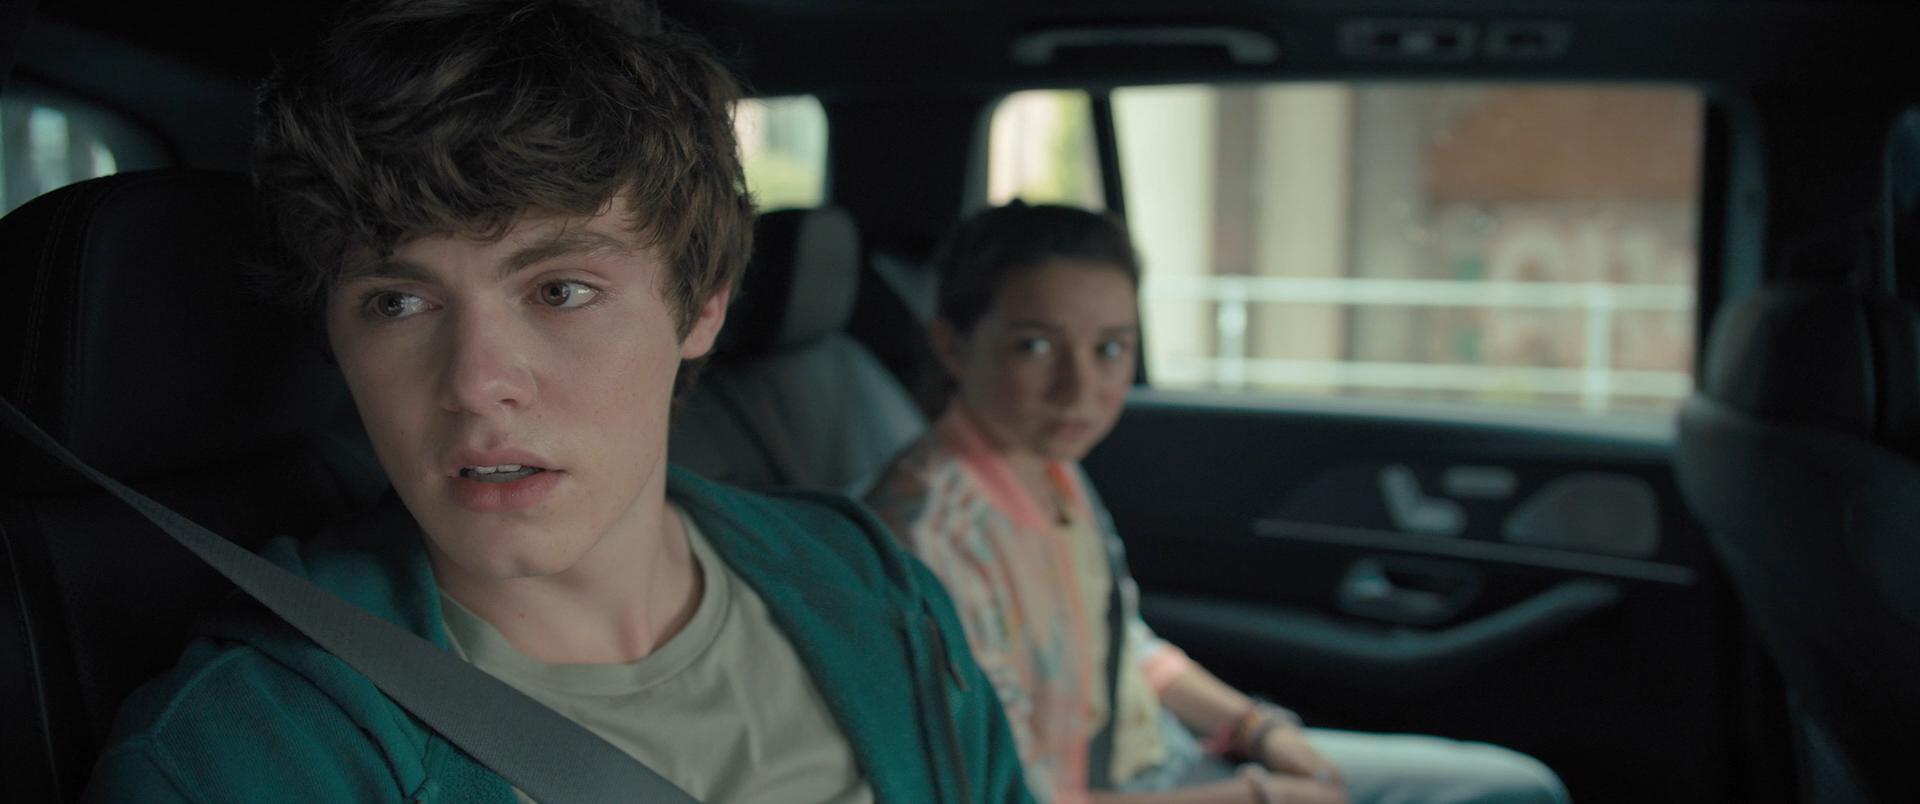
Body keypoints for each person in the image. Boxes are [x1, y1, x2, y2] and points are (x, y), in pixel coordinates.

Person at [82, 2, 1030, 802]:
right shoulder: (238, 757)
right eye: (397, 302)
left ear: (701, 307)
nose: (474, 382)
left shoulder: (870, 584)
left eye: (561, 290)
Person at [864, 203, 1572, 804]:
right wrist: (1255, 797)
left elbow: (1123, 645)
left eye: (1110, 349)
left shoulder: (1051, 467)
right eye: (1037, 347)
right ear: (952, 345)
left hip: (1170, 760)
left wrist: (1256, 729)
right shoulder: (933, 541)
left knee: (1512, 789)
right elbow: (1011, 793)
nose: (1080, 389)